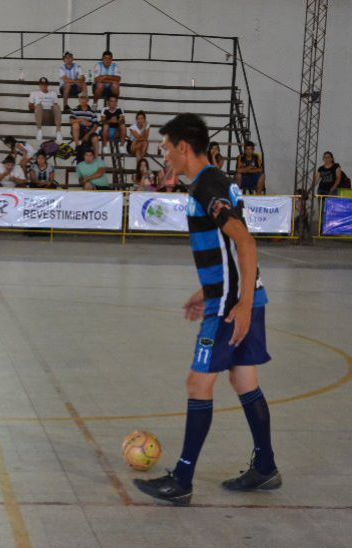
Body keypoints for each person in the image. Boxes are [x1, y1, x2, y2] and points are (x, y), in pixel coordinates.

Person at [134, 113, 279, 505]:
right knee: (244, 381)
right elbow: (229, 250)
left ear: (183, 147)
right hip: (241, 294)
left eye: (166, 149)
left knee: (198, 384)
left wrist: (241, 305)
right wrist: (206, 289)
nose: (164, 156)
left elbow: (245, 243)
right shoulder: (219, 181)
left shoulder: (205, 188)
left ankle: (181, 480)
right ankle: (265, 466)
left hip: (232, 305)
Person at [29, 77, 62, 144]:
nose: (43, 86)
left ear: (47, 85)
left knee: (56, 106)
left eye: (45, 84)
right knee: (38, 106)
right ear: (39, 85)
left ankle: (58, 132)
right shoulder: (34, 93)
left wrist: (52, 106)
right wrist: (37, 106)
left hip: (51, 115)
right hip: (40, 116)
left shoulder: (53, 93)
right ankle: (39, 130)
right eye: (41, 85)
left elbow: (56, 107)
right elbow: (30, 106)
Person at [69, 94, 100, 159]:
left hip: (89, 131)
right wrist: (80, 120)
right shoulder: (74, 109)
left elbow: (95, 125)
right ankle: (77, 146)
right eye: (81, 98)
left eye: (84, 98)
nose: (83, 100)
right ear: (79, 99)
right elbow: (71, 121)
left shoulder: (92, 111)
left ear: (87, 100)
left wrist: (87, 134)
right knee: (75, 125)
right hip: (78, 131)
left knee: (95, 138)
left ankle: (96, 159)